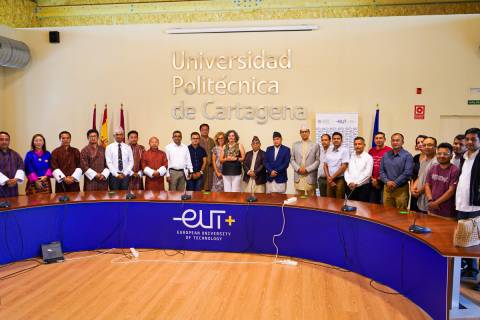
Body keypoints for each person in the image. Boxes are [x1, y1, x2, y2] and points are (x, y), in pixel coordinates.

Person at [456, 128, 480, 285]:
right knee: (465, 240)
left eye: (473, 139)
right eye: (468, 139)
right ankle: (469, 270)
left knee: (476, 244)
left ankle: (476, 275)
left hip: (476, 205)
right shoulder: (464, 157)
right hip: (462, 204)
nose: (470, 142)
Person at [424, 142, 459, 220]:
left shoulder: (454, 170)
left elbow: (451, 190)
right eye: (439, 153)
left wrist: (436, 203)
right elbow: (427, 184)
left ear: (451, 156)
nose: (442, 156)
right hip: (431, 210)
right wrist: (430, 200)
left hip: (447, 213)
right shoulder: (433, 168)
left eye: (445, 154)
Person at [380, 133, 413, 209]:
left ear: (402, 142)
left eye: (397, 140)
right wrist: (387, 182)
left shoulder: (407, 156)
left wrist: (395, 183)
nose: (395, 142)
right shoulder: (386, 155)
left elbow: (407, 173)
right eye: (393, 140)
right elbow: (381, 171)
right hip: (387, 189)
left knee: (400, 215)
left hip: (401, 190)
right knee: (387, 213)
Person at [290, 125, 320, 196]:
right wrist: (298, 168)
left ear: (309, 132)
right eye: (302, 132)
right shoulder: (295, 145)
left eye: (305, 131)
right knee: (298, 199)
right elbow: (292, 159)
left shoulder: (315, 145)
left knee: (311, 201)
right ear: (300, 133)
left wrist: (307, 169)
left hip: (310, 176)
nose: (304, 133)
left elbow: (317, 161)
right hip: (299, 175)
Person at [411, 137, 438, 213]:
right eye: (424, 145)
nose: (426, 147)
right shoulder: (423, 161)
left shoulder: (436, 162)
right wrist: (413, 189)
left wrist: (419, 192)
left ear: (435, 146)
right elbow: (419, 176)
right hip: (420, 199)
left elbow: (431, 182)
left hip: (430, 199)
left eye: (429, 145)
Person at [344, 137, 373, 202]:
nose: (357, 146)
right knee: (351, 207)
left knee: (362, 209)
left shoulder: (368, 157)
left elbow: (368, 174)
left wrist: (356, 183)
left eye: (359, 144)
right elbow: (346, 170)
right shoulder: (351, 155)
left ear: (364, 145)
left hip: (363, 187)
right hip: (350, 186)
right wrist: (349, 182)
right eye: (355, 144)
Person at [368, 132, 392, 204]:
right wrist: (372, 179)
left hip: (384, 181)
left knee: (383, 204)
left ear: (384, 139)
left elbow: (390, 167)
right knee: (372, 204)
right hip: (372, 181)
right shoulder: (371, 151)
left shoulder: (389, 151)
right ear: (374, 140)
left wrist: (378, 180)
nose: (378, 140)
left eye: (380, 138)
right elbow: (368, 166)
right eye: (376, 138)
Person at [324, 132, 349, 199]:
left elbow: (344, 166)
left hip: (339, 179)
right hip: (329, 180)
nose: (336, 140)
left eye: (338, 138)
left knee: (339, 201)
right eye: (334, 138)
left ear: (341, 140)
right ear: (332, 140)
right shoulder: (329, 150)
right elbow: (325, 165)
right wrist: (328, 178)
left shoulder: (345, 151)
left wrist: (331, 178)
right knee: (329, 200)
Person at [0, 131, 25, 198]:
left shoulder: (15, 154)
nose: (4, 142)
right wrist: (5, 180)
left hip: (13, 188)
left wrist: (16, 179)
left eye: (6, 139)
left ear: (9, 141)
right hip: (1, 187)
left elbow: (21, 167)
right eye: (1, 139)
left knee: (14, 205)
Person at [410, 135, 427, 212]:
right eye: (418, 142)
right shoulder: (416, 157)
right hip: (414, 190)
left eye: (422, 142)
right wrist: (411, 189)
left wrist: (420, 191)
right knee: (413, 214)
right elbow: (413, 175)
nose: (420, 144)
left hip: (425, 191)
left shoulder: (433, 158)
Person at [199, 123, 215, 192]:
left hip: (210, 168)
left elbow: (215, 153)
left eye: (206, 130)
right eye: (203, 130)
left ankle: (208, 201)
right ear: (200, 131)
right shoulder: (198, 140)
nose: (205, 131)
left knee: (210, 185)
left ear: (208, 130)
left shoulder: (212, 141)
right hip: (201, 167)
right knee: (201, 186)